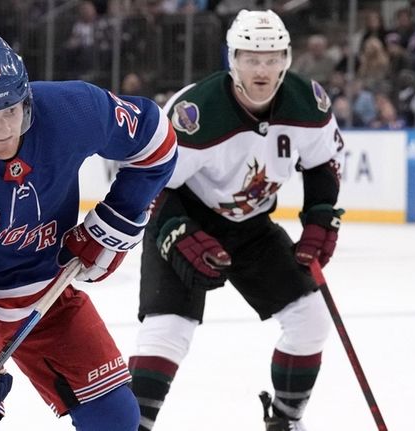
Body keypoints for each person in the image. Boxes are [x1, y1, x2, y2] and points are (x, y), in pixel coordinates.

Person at [0, 32, 177, 431]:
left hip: (49, 288)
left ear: (25, 97)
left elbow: (155, 140)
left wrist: (115, 223)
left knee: (115, 419)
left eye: (11, 110)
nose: (3, 128)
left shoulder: (71, 109)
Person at [127, 10, 345, 431]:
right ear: (232, 58)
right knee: (168, 331)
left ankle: (285, 421)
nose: (261, 69)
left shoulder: (309, 102)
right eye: (250, 57)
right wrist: (177, 233)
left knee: (311, 323)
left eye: (271, 57)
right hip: (185, 217)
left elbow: (324, 164)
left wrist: (320, 219)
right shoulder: (195, 112)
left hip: (252, 227)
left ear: (286, 58)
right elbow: (152, 183)